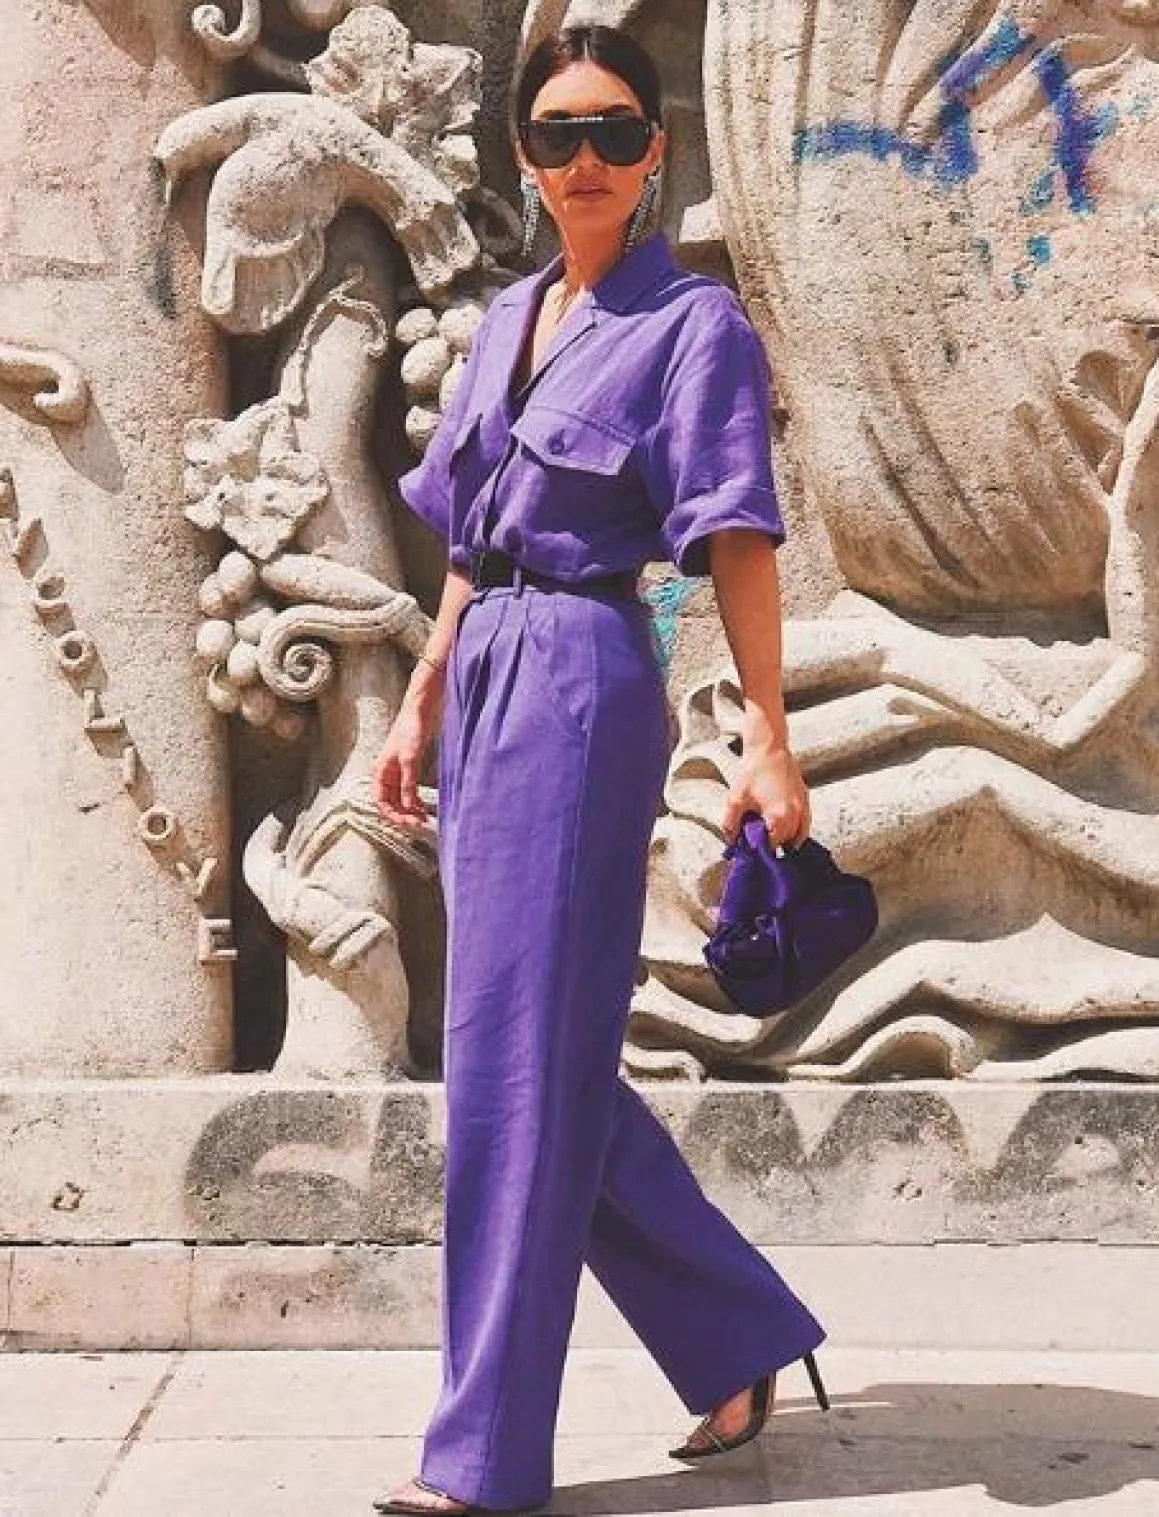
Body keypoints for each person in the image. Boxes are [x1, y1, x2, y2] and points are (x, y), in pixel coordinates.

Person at [372, 24, 828, 1515]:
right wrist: (420, 697)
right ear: (525, 155)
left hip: (581, 674)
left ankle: (483, 1459)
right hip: (484, 672)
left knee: (511, 1066)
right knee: (532, 1055)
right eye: (559, 134)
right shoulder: (508, 318)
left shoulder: (694, 326)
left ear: (655, 154)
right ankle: (738, 1335)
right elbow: (468, 534)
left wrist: (768, 738)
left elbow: (732, 539)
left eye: (616, 133)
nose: (587, 160)